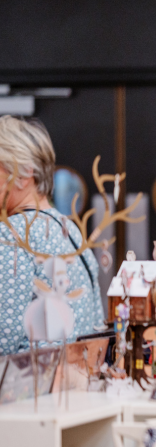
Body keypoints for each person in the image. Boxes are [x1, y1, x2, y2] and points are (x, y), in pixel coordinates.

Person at [0, 116, 104, 355]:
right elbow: (97, 323)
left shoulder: (10, 234)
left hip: (25, 388)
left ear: (24, 175)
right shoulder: (70, 231)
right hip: (76, 383)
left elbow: (3, 340)